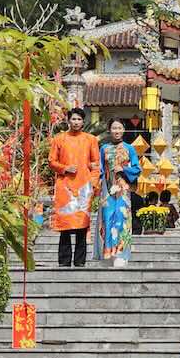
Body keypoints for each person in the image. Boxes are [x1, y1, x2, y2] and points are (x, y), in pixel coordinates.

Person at [49, 108, 100, 267]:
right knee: (65, 225)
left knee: (82, 225)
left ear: (83, 122)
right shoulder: (59, 139)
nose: (76, 122)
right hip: (65, 187)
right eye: (73, 119)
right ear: (68, 120)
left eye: (79, 119)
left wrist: (93, 184)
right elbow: (51, 161)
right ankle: (64, 261)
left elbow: (96, 164)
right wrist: (64, 168)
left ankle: (80, 261)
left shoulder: (91, 139)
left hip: (84, 187)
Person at [94, 120, 141, 267]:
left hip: (123, 190)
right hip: (107, 190)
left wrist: (124, 169)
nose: (117, 131)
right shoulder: (104, 148)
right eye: (114, 128)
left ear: (124, 130)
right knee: (107, 219)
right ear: (109, 130)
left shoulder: (129, 148)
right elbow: (100, 169)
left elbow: (137, 169)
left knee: (122, 219)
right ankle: (108, 253)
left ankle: (121, 254)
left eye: (119, 128)